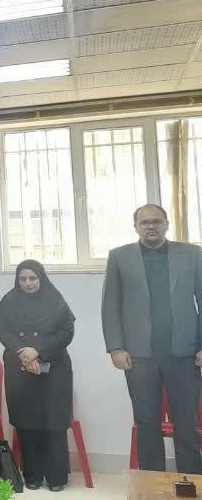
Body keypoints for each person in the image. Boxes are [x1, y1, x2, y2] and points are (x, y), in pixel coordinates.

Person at [102, 203, 202, 474]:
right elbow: (110, 305)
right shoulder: (119, 257)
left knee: (186, 422)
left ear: (167, 224)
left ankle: (192, 482)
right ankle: (151, 484)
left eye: (157, 221)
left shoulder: (192, 254)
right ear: (136, 227)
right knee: (146, 422)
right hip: (139, 356)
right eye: (145, 222)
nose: (151, 226)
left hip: (184, 354)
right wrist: (115, 347)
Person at [0, 260, 75, 492]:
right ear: (17, 280)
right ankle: (32, 475)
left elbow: (67, 332)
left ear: (41, 278)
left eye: (32, 278)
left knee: (54, 422)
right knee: (26, 422)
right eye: (23, 279)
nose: (28, 283)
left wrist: (37, 350)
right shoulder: (9, 301)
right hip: (19, 366)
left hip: (54, 368)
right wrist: (24, 353)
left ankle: (57, 477)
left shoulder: (55, 300)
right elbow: (1, 330)